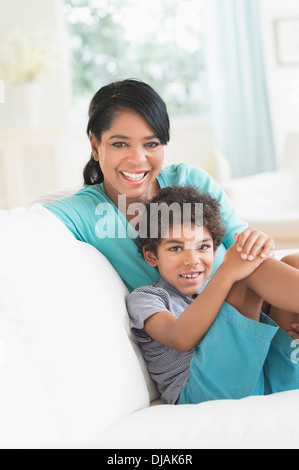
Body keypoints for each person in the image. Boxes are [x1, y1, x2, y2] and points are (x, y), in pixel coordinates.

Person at [43, 78, 299, 339]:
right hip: (206, 332)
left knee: (291, 260)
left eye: (151, 144)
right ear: (96, 146)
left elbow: (247, 249)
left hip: (254, 310)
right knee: (245, 272)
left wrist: (258, 241)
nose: (137, 159)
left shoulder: (189, 180)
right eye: (120, 144)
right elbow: (23, 225)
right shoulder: (84, 210)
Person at [126, 185, 299, 405]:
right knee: (247, 273)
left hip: (263, 376)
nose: (192, 260)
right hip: (203, 389)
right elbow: (180, 338)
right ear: (151, 257)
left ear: (215, 252)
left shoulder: (221, 288)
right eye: (176, 249)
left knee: (293, 261)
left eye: (203, 247)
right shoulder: (147, 297)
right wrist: (227, 272)